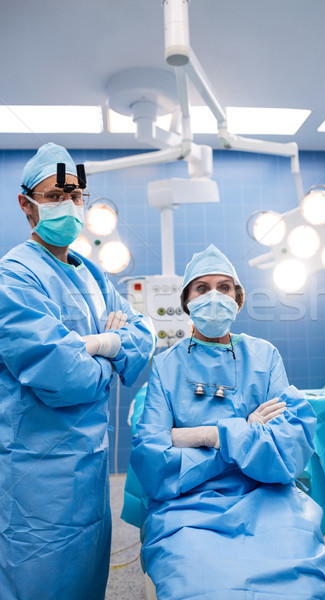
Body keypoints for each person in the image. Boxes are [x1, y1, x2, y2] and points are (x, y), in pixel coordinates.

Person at [131, 244, 325, 600]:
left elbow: (287, 445)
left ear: (238, 300)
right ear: (187, 302)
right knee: (200, 584)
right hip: (188, 507)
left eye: (224, 287)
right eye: (202, 288)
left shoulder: (264, 355)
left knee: (300, 584)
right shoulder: (166, 365)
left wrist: (205, 435)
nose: (214, 296)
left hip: (266, 495)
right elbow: (152, 457)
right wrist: (241, 433)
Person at [0, 143, 155, 600]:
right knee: (40, 582)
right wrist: (111, 354)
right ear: (27, 206)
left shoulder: (90, 273)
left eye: (76, 194)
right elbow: (65, 377)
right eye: (54, 195)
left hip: (89, 467)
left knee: (88, 578)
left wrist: (97, 347)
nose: (68, 204)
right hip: (38, 473)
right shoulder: (14, 277)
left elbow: (143, 334)